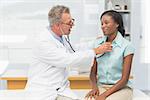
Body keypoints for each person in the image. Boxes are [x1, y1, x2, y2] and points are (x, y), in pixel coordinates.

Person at [25, 5, 112, 100]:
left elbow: (75, 49)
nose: (72, 25)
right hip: (43, 92)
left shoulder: (60, 37)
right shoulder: (43, 41)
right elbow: (67, 59)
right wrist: (96, 51)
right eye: (69, 23)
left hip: (59, 90)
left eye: (72, 21)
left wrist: (94, 43)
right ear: (57, 25)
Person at [85, 10, 135, 100]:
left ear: (117, 24)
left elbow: (124, 80)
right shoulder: (98, 44)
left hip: (121, 88)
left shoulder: (127, 46)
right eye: (102, 24)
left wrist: (104, 95)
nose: (103, 26)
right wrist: (94, 87)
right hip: (101, 87)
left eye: (106, 23)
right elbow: (92, 73)